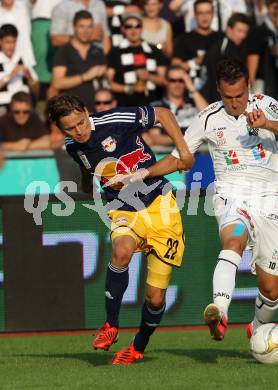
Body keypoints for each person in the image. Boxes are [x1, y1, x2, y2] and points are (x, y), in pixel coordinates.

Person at [127, 58, 278, 341]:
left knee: (270, 289)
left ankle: (256, 327)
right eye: (228, 97)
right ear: (219, 93)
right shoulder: (207, 117)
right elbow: (179, 157)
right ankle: (219, 311)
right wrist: (145, 172)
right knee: (233, 239)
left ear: (248, 87)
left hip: (270, 198)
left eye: (240, 95)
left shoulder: (265, 104)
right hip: (231, 195)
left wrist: (267, 123)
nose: (235, 103)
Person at [46, 94, 194, 365]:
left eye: (81, 123)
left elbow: (162, 114)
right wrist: (85, 183)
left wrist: (183, 150)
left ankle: (138, 345)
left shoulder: (115, 120)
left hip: (160, 202)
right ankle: (111, 324)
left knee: (155, 297)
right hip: (123, 205)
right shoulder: (72, 146)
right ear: (60, 129)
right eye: (70, 128)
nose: (79, 131)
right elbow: (87, 164)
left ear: (86, 111)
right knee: (121, 250)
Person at [51, 10, 107, 113]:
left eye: (89, 26)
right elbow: (57, 83)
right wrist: (86, 76)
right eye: (81, 26)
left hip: (96, 111)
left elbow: (106, 82)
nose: (86, 31)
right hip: (72, 112)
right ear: (74, 27)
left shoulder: (98, 51)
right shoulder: (64, 51)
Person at [106, 12, 167, 106]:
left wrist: (149, 76)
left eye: (137, 26)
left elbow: (164, 80)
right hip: (125, 106)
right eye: (128, 27)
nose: (133, 30)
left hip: (152, 104)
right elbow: (108, 83)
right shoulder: (115, 52)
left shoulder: (154, 50)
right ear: (123, 29)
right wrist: (130, 88)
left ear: (142, 29)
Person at [147, 64, 208, 145]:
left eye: (181, 80)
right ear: (166, 82)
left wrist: (192, 88)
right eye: (173, 80)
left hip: (200, 155)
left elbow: (209, 117)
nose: (177, 84)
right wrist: (184, 139)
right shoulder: (156, 107)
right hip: (169, 154)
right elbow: (154, 138)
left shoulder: (195, 102)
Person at [171, 0, 223, 90]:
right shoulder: (183, 39)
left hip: (217, 90)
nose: (204, 17)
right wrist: (194, 62)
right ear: (195, 15)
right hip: (191, 91)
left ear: (213, 14)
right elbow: (174, 69)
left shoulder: (222, 38)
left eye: (208, 12)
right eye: (200, 13)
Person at [200, 12, 250, 104]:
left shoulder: (239, 46)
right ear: (229, 29)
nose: (243, 35)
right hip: (216, 99)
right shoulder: (223, 46)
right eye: (239, 31)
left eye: (245, 32)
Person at [247, 0, 278, 99]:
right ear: (267, 8)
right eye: (275, 8)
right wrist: (250, 87)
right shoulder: (258, 32)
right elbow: (252, 61)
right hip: (263, 83)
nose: (277, 12)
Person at [0, 24, 39, 112]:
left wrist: (28, 74)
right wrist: (11, 75)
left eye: (14, 42)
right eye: (7, 42)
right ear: (0, 42)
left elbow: (36, 88)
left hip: (24, 104)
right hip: (3, 105)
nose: (11, 46)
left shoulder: (22, 59)